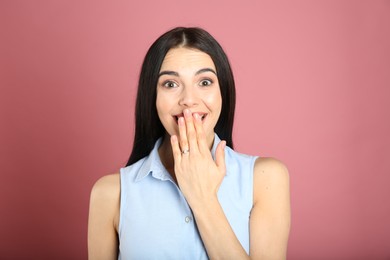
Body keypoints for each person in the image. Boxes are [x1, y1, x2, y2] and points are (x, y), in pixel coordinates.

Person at [88, 27, 291, 260]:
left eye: (204, 82)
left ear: (223, 92)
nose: (189, 100)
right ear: (151, 96)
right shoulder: (111, 194)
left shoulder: (265, 178)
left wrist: (202, 198)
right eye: (171, 84)